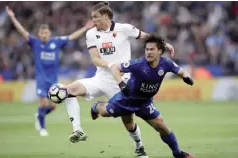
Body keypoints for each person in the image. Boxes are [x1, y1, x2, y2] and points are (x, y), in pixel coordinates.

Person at [53, 2, 174, 155]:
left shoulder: (124, 29)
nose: (93, 20)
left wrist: (165, 44)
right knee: (68, 90)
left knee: (128, 123)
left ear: (105, 16)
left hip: (122, 81)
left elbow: (147, 37)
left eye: (95, 17)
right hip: (101, 78)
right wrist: (111, 65)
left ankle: (139, 147)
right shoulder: (91, 34)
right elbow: (95, 59)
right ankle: (78, 130)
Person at [90, 33, 194, 158]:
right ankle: (96, 106)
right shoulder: (138, 64)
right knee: (106, 112)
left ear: (160, 51)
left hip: (145, 102)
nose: (148, 52)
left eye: (152, 49)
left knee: (161, 125)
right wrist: (121, 84)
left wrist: (187, 77)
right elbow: (115, 68)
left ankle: (178, 153)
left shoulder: (166, 63)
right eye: (147, 49)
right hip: (126, 99)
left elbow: (181, 71)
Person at [6, 6, 93, 136]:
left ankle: (38, 116)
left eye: (46, 33)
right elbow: (23, 31)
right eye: (42, 33)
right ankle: (42, 127)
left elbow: (71, 37)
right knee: (42, 103)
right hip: (41, 79)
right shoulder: (35, 43)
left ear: (49, 34)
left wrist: (85, 28)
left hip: (53, 80)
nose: (44, 35)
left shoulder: (56, 42)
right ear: (39, 34)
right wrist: (13, 17)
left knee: (52, 106)